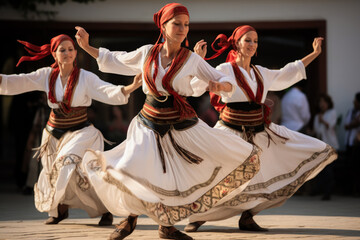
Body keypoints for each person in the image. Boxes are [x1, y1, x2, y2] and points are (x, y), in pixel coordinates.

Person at [75, 3, 260, 240]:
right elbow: (115, 59)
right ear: (163, 26)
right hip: (147, 122)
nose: (183, 29)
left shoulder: (191, 59)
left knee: (172, 178)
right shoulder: (146, 53)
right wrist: (87, 47)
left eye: (186, 25)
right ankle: (130, 218)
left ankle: (167, 226)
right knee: (132, 166)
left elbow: (222, 78)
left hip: (178, 124)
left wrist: (220, 86)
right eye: (177, 24)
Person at [185, 25, 337, 232]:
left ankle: (248, 217)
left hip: (259, 131)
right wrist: (198, 61)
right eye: (247, 40)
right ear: (237, 42)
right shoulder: (225, 69)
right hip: (231, 130)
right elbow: (195, 86)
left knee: (263, 175)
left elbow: (287, 72)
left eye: (255, 41)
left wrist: (315, 53)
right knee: (219, 175)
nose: (252, 44)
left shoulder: (260, 73)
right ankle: (200, 216)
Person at [0, 34, 142, 226]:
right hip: (53, 133)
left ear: (75, 53)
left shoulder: (86, 77)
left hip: (80, 133)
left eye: (70, 49)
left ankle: (104, 209)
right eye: (62, 50)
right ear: (54, 54)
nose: (67, 53)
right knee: (55, 173)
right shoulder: (46, 75)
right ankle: (60, 209)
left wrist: (130, 87)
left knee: (66, 164)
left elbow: (106, 90)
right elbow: (21, 81)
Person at [311, 93, 339, 200]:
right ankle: (320, 189)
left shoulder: (332, 113)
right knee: (321, 169)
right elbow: (316, 131)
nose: (321, 104)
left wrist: (322, 120)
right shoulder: (317, 116)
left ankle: (328, 192)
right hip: (321, 146)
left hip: (331, 145)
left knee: (328, 169)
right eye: (320, 102)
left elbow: (330, 126)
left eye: (323, 102)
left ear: (328, 103)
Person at [344, 92, 360, 195]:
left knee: (357, 167)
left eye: (356, 100)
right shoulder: (351, 111)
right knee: (349, 166)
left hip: (357, 143)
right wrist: (354, 123)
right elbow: (346, 125)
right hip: (349, 142)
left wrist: (354, 123)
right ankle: (350, 190)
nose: (353, 101)